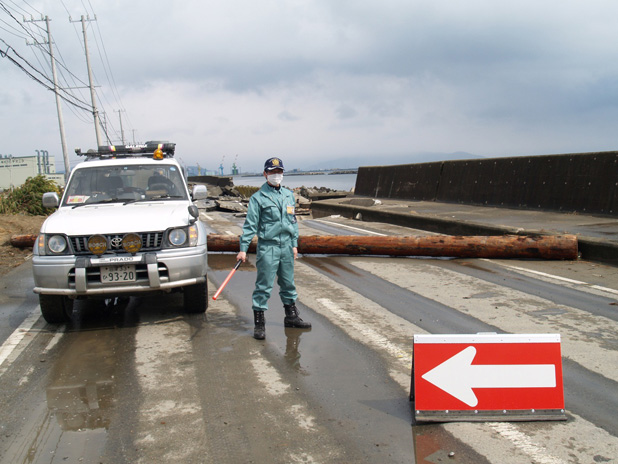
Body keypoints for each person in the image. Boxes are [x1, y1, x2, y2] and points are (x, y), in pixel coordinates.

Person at [236, 157, 311, 340]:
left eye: (279, 172)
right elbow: (250, 225)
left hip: (286, 246)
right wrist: (243, 249)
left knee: (288, 284)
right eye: (272, 172)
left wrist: (294, 244)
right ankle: (259, 324)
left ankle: (291, 316)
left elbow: (292, 222)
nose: (276, 175)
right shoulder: (258, 198)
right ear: (265, 174)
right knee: (264, 286)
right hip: (268, 247)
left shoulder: (288, 195)